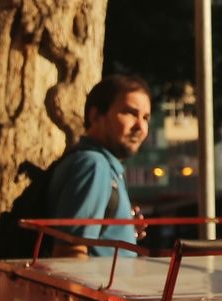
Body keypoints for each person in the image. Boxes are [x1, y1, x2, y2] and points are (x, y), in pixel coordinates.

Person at [46, 74, 151, 257]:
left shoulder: (105, 166)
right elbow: (70, 254)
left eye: (146, 117)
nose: (140, 126)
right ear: (96, 116)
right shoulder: (93, 166)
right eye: (130, 113)